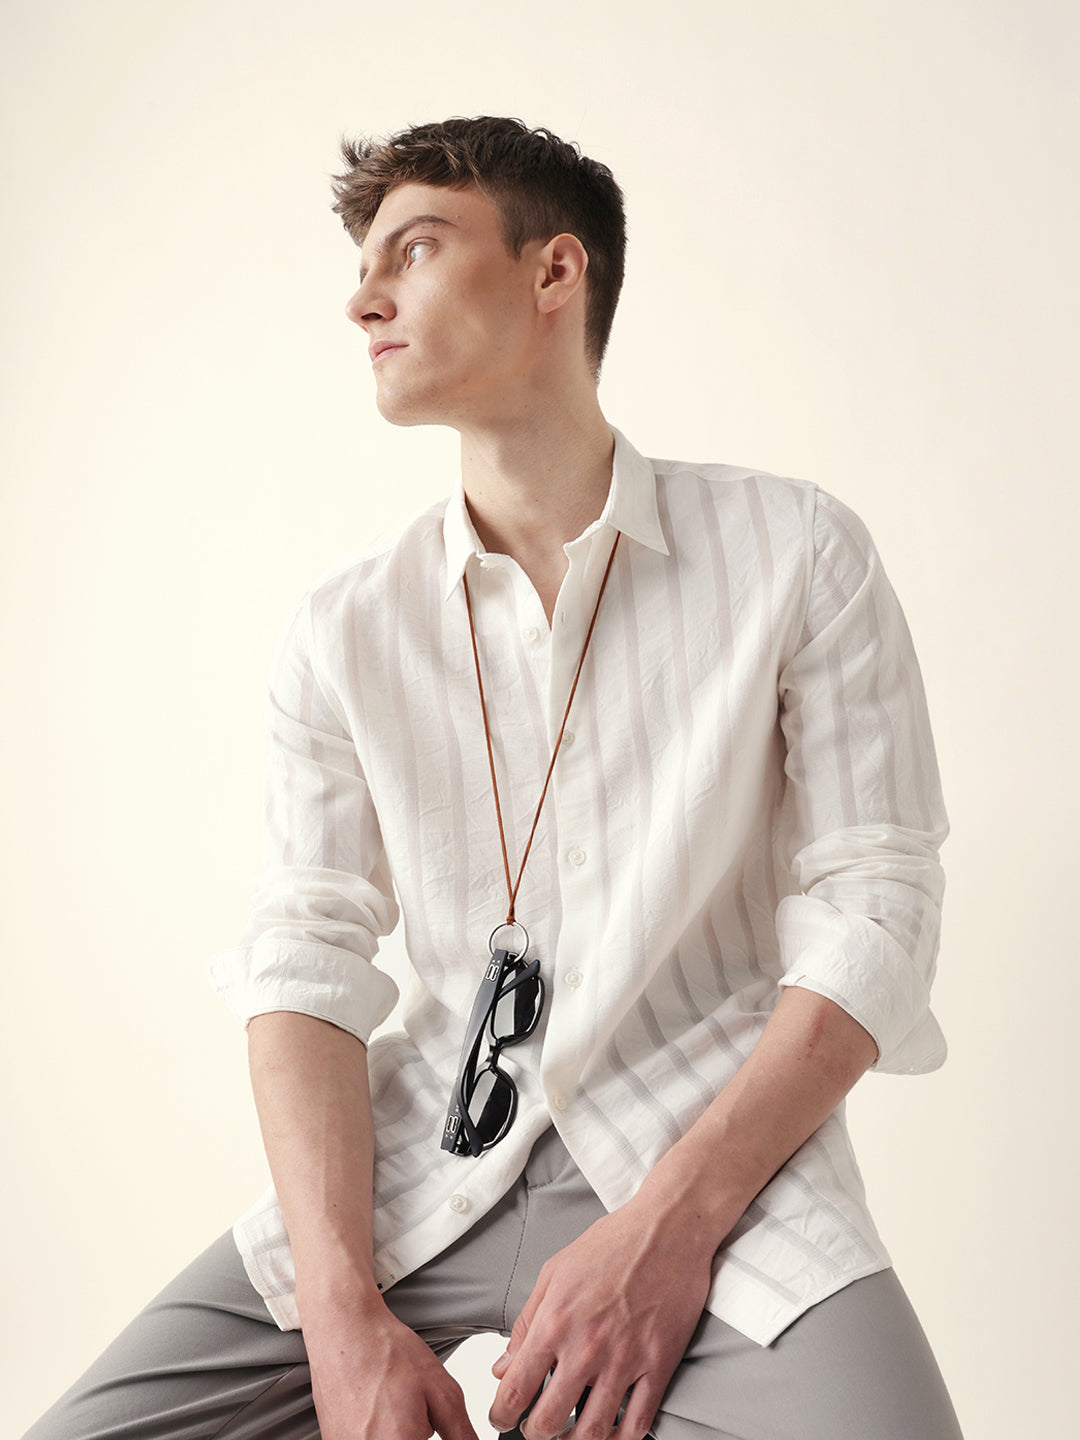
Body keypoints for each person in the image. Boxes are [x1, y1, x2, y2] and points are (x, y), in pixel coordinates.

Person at [24, 116, 964, 1440]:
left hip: (717, 1166)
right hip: (423, 1165)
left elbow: (878, 910)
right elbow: (305, 956)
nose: (364, 299)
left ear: (554, 272)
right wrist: (341, 1317)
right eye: (362, 266)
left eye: (412, 250)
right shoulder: (345, 631)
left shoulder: (795, 551)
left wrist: (672, 1231)